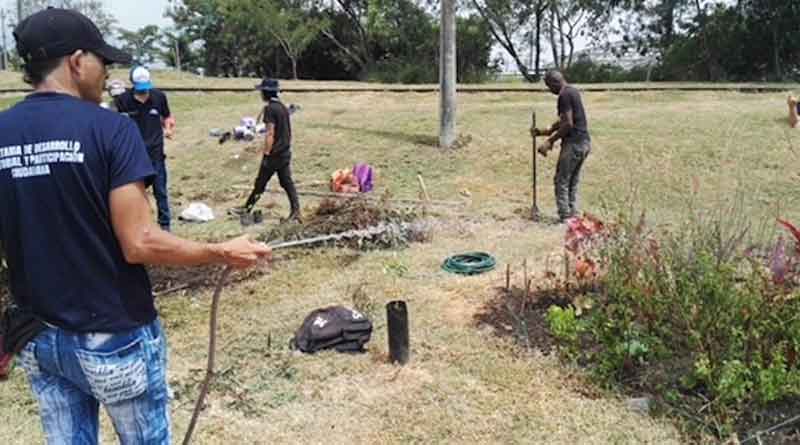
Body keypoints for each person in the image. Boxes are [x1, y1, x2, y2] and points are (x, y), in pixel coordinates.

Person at [1, 8, 270, 444]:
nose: (108, 73)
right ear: (76, 62)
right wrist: (221, 251)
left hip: (40, 339)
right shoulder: (110, 130)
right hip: (113, 337)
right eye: (103, 62)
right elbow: (139, 241)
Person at [230, 78, 301, 222]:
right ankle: (296, 210)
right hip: (285, 151)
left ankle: (246, 209)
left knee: (261, 182)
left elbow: (270, 133)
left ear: (266, 93)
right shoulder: (282, 107)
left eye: (262, 91)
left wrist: (266, 153)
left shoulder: (269, 109)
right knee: (286, 182)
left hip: (274, 154)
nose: (261, 94)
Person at [114, 66, 176, 231]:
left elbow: (167, 116)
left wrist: (169, 128)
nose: (144, 93)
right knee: (136, 194)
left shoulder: (159, 97)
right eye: (140, 90)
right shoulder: (123, 100)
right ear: (133, 84)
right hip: (134, 155)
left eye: (146, 88)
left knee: (160, 191)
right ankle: (141, 224)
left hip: (155, 153)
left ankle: (165, 226)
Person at [533, 70, 592, 223]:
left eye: (548, 86)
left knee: (562, 180)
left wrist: (550, 142)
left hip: (574, 143)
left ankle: (566, 217)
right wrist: (546, 131)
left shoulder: (564, 96)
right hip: (584, 142)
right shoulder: (572, 91)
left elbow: (568, 124)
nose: (549, 90)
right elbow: (566, 120)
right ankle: (573, 214)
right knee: (572, 180)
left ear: (554, 83)